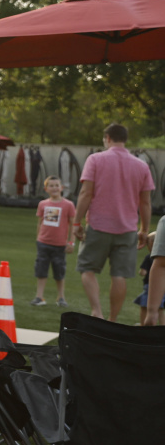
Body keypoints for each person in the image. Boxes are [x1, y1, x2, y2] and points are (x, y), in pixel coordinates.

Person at [74, 123, 155, 321]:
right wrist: (144, 229)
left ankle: (97, 311)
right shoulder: (141, 166)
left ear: (108, 138)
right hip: (127, 229)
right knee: (119, 275)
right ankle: (112, 320)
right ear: (125, 139)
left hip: (98, 225)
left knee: (87, 269)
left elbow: (86, 193)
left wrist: (76, 222)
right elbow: (145, 202)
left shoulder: (95, 159)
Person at [31, 176, 76, 307]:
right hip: (43, 243)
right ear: (46, 189)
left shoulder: (68, 205)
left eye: (57, 185)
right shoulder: (42, 204)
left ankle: (61, 297)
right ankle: (39, 297)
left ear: (62, 188)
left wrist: (71, 242)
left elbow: (73, 224)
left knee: (59, 272)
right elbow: (40, 222)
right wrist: (38, 238)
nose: (54, 188)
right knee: (41, 270)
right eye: (51, 185)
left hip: (60, 245)